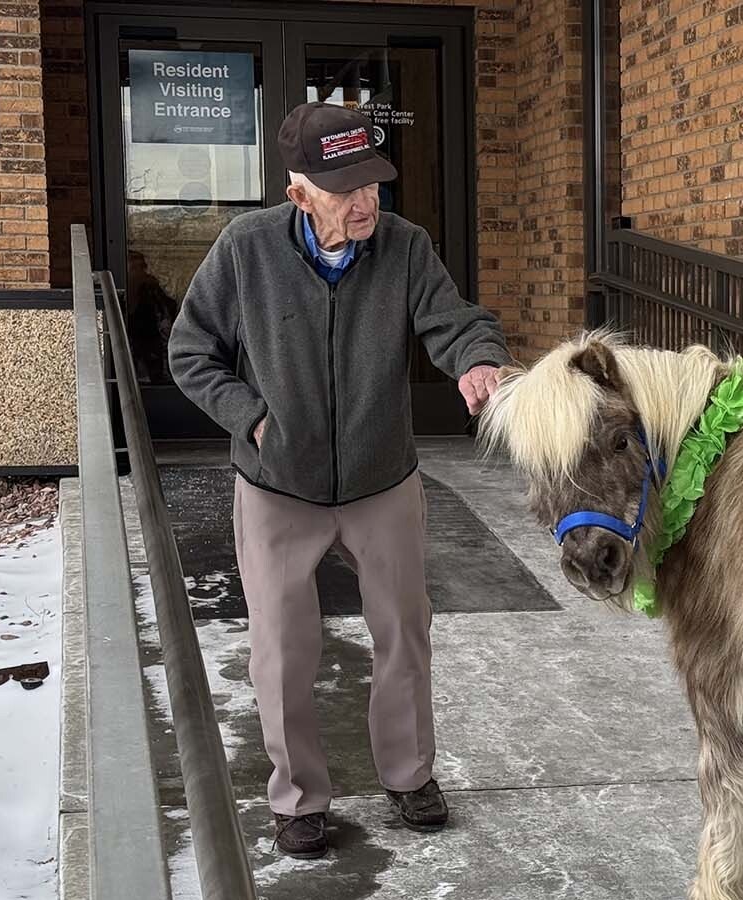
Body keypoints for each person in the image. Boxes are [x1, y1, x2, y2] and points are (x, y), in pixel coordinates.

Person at [168, 101, 513, 859]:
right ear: (300, 194)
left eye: (373, 184)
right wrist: (255, 420)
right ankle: (298, 798)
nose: (366, 202)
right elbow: (191, 353)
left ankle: (409, 775)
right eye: (346, 188)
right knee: (282, 648)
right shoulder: (244, 249)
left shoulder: (404, 247)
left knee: (404, 634)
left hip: (381, 479)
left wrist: (477, 359)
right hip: (276, 485)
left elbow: (453, 320)